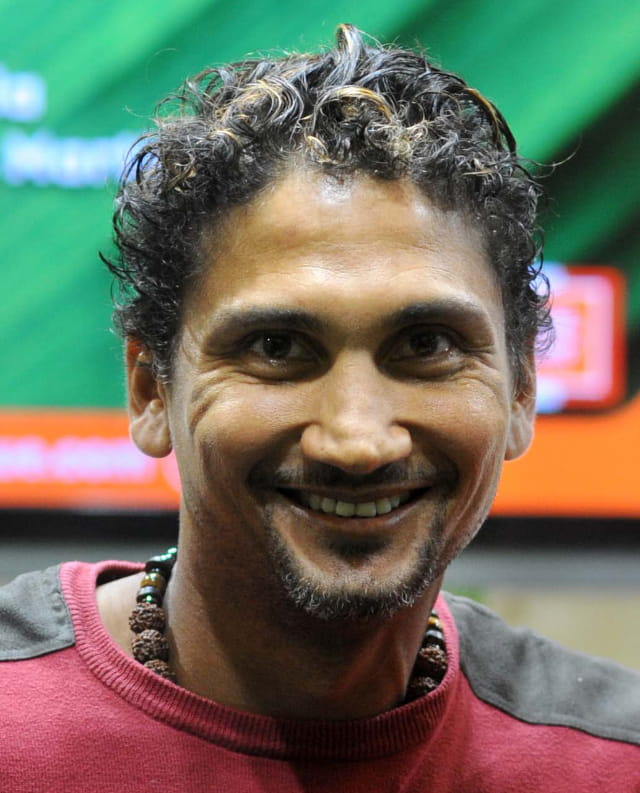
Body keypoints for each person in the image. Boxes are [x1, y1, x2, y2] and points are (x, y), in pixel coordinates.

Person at [1, 24, 638, 791]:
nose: (357, 440)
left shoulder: (611, 761)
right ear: (150, 390)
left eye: (427, 344)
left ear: (522, 389)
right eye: (277, 347)